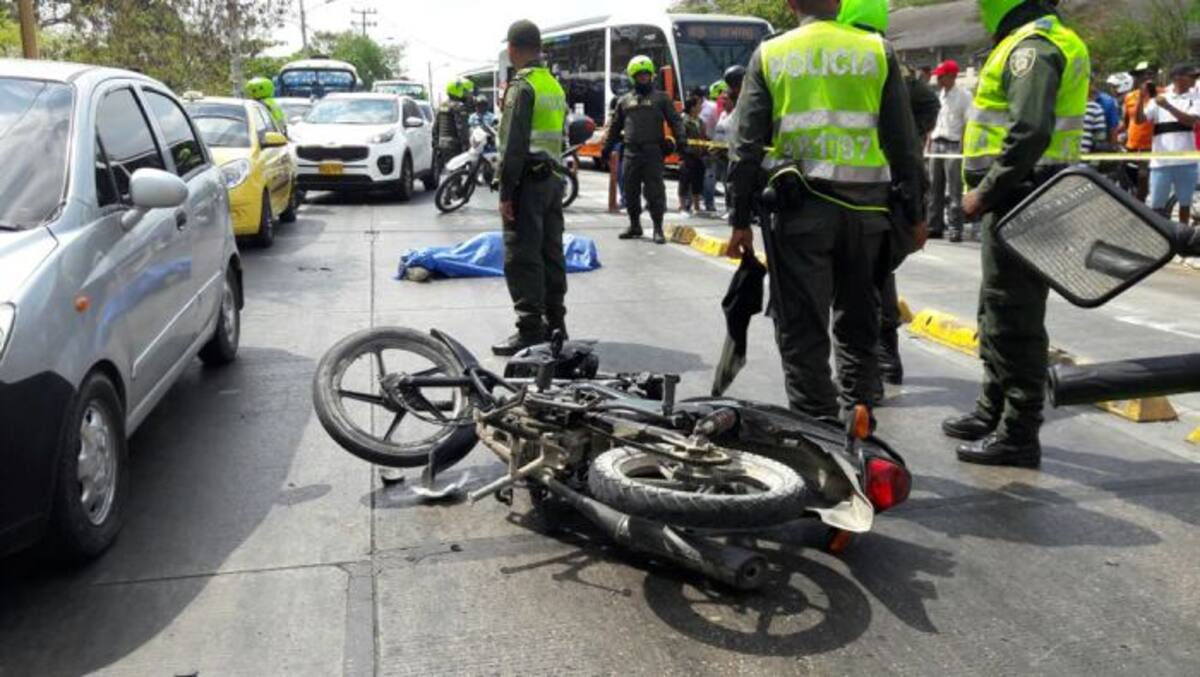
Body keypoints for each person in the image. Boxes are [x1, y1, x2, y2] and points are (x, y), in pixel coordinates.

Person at [727, 0, 926, 419]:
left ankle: (818, 435)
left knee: (803, 329)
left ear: (789, 3)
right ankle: (861, 423)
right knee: (859, 325)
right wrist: (917, 214)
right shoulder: (877, 51)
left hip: (800, 216)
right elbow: (904, 145)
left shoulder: (772, 53)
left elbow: (744, 147)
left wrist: (739, 219)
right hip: (869, 215)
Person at [942, 0, 1090, 468]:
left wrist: (984, 192)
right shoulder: (1039, 39)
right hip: (1021, 195)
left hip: (1022, 197)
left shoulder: (1033, 48)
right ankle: (994, 409)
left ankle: (1019, 432)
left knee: (1015, 318)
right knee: (995, 308)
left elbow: (1028, 132)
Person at [839, 0, 939, 392]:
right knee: (877, 276)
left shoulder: (851, 60)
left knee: (859, 285)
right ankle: (881, 361)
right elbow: (926, 106)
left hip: (865, 189)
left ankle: (867, 372)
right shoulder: (893, 61)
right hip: (892, 189)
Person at [492, 20, 570, 356]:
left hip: (528, 182)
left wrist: (505, 193)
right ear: (538, 48)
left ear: (512, 49)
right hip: (554, 180)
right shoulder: (553, 84)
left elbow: (512, 145)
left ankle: (530, 330)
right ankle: (556, 324)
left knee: (523, 254)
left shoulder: (522, 87)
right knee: (551, 252)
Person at [602, 55, 685, 244]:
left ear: (652, 76)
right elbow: (615, 127)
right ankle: (634, 225)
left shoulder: (661, 98)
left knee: (655, 191)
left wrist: (681, 141)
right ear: (633, 77)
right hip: (631, 152)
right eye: (639, 76)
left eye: (646, 75)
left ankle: (657, 228)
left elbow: (675, 120)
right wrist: (606, 148)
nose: (643, 78)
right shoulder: (624, 101)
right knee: (630, 191)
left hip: (653, 152)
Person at [1136, 63, 1199, 225]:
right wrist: (1140, 97)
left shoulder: (1196, 97)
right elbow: (1140, 120)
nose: (1195, 80)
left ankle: (1183, 238)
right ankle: (1159, 237)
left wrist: (1168, 106)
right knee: (1157, 205)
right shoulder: (1160, 97)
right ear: (1178, 78)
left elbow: (1190, 121)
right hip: (1160, 162)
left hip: (1187, 162)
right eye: (1191, 76)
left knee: (1184, 204)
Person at [927, 59, 972, 242]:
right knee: (934, 188)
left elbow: (968, 122)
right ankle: (934, 226)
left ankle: (955, 227)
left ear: (952, 76)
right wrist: (929, 141)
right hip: (937, 143)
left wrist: (964, 144)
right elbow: (936, 121)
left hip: (953, 145)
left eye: (941, 76)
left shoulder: (964, 96)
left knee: (954, 189)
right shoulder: (940, 95)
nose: (938, 79)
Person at [1120, 62, 1157, 201]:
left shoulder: (1161, 94)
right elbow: (1126, 121)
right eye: (1141, 75)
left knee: (1143, 179)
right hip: (1131, 145)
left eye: (1149, 74)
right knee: (1129, 178)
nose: (1145, 78)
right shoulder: (1129, 97)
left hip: (1150, 147)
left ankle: (1140, 210)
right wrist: (1117, 134)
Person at [678, 94, 708, 213]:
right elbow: (681, 137)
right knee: (684, 180)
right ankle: (682, 205)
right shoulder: (683, 120)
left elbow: (703, 137)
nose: (701, 107)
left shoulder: (700, 121)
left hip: (699, 155)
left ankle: (697, 206)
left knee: (698, 179)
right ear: (692, 107)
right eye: (699, 104)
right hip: (687, 155)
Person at [436, 79, 471, 166]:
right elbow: (461, 128)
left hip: (442, 143)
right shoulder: (458, 106)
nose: (466, 94)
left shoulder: (442, 105)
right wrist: (466, 145)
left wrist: (436, 144)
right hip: (454, 144)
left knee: (449, 168)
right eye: (463, 91)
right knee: (457, 172)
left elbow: (436, 126)